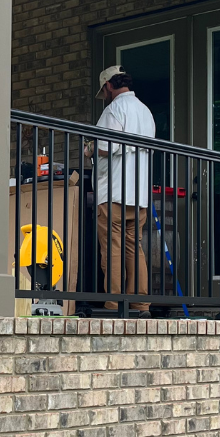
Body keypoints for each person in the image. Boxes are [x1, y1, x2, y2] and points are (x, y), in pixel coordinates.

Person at [92, 65, 154, 314]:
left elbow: (107, 146)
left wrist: (89, 149)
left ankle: (114, 303)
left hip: (114, 191)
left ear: (108, 86)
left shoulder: (114, 109)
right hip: (138, 194)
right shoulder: (145, 112)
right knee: (134, 247)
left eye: (103, 90)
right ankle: (140, 304)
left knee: (112, 247)